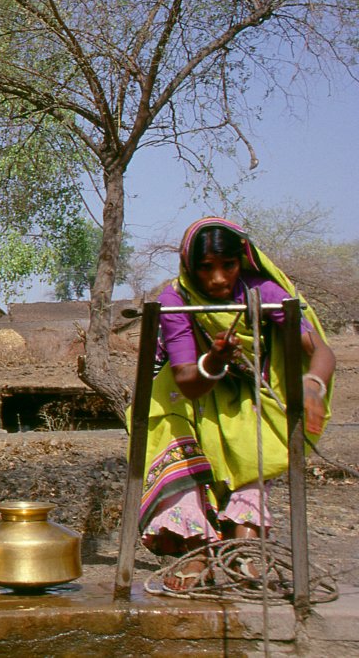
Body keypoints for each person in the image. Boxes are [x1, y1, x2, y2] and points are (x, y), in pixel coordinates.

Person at [138, 217, 335, 591]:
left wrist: (313, 384)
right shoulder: (175, 301)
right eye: (205, 268)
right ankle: (195, 551)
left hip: (242, 394)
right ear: (189, 267)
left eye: (227, 266)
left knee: (254, 448)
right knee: (180, 452)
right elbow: (187, 381)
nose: (217, 279)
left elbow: (319, 349)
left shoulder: (263, 291)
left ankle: (241, 549)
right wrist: (214, 359)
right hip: (183, 397)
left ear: (241, 261)